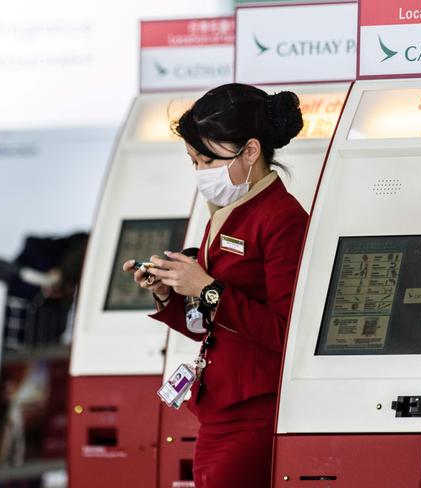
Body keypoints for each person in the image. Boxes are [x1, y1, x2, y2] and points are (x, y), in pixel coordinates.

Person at [122, 83, 307, 488]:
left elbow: (287, 330)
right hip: (218, 404)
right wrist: (169, 292)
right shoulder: (225, 214)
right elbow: (210, 322)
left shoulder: (281, 217)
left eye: (207, 160)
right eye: (194, 162)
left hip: (253, 409)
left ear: (251, 151)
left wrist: (206, 287)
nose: (201, 173)